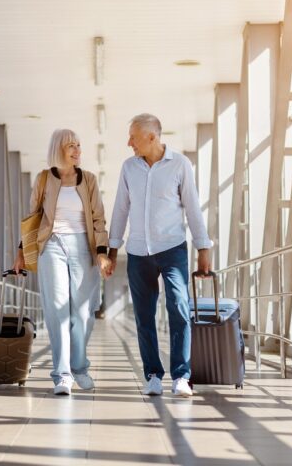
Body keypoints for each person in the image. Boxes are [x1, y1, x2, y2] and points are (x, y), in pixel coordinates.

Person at [107, 113, 212, 398]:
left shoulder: (180, 164)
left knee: (178, 306)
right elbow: (120, 209)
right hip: (138, 251)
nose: (129, 142)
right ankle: (153, 374)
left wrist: (203, 247)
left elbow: (192, 206)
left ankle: (181, 375)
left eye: (133, 137)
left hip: (172, 247)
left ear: (152, 137)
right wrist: (111, 250)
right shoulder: (129, 168)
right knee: (144, 315)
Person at [13, 129, 112, 395]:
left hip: (83, 246)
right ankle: (62, 375)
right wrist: (22, 251)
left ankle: (79, 367)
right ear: (59, 149)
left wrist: (102, 252)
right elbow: (32, 217)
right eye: (72, 146)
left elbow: (98, 219)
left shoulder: (88, 180)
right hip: (52, 245)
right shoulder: (44, 179)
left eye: (79, 145)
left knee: (82, 314)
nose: (77, 150)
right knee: (58, 311)